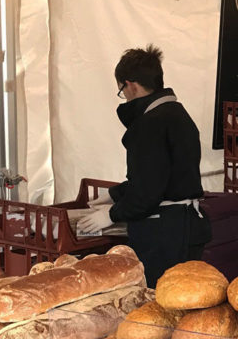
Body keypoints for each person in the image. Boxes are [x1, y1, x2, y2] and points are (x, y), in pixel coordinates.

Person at [78, 45, 211, 285]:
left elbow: (148, 192)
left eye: (122, 90)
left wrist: (112, 213)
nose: (124, 96)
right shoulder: (178, 114)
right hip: (188, 224)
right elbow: (163, 174)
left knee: (157, 304)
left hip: (164, 234)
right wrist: (114, 193)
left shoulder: (150, 125)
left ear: (131, 85)